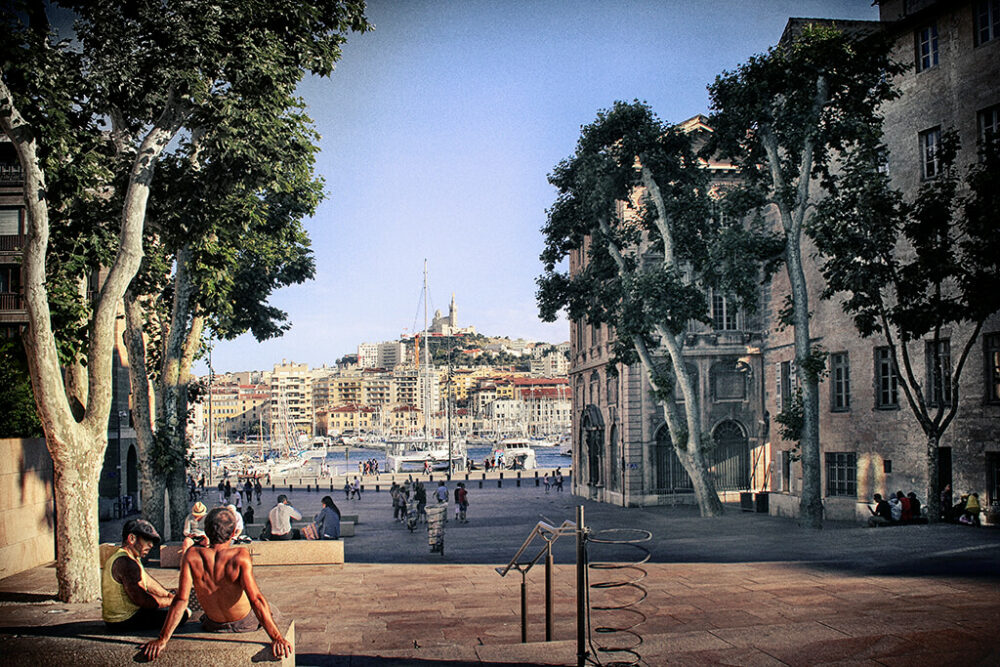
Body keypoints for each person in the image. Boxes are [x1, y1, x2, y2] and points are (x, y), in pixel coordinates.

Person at [141, 507, 291, 661]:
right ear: (233, 534)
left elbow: (181, 600)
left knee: (204, 614)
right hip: (244, 623)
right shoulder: (240, 556)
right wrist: (277, 638)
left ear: (206, 532)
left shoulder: (192, 556)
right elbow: (256, 600)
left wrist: (162, 639)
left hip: (213, 624)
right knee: (272, 609)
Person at [103, 519, 188, 631]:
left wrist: (169, 595)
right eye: (147, 540)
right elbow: (144, 601)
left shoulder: (130, 557)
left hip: (120, 618)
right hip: (124, 621)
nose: (151, 545)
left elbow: (149, 582)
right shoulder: (126, 562)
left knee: (177, 611)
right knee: (182, 614)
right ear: (132, 539)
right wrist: (172, 602)